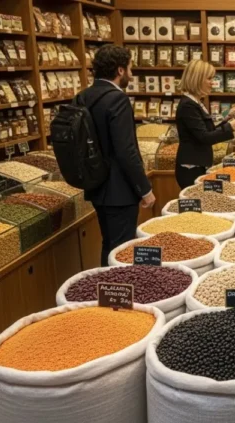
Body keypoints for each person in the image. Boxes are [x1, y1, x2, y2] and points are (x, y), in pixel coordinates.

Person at [84, 45, 155, 267]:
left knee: (109, 244)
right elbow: (126, 151)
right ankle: (117, 295)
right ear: (120, 70)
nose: (132, 74)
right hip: (119, 190)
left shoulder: (83, 96)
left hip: (96, 186)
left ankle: (106, 289)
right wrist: (145, 189)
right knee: (122, 250)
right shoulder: (117, 99)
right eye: (130, 68)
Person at [175, 59, 235, 189]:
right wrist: (233, 125)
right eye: (209, 78)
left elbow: (208, 130)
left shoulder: (196, 102)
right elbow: (205, 137)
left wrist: (227, 118)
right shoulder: (188, 105)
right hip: (191, 167)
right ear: (197, 79)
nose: (213, 83)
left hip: (199, 164)